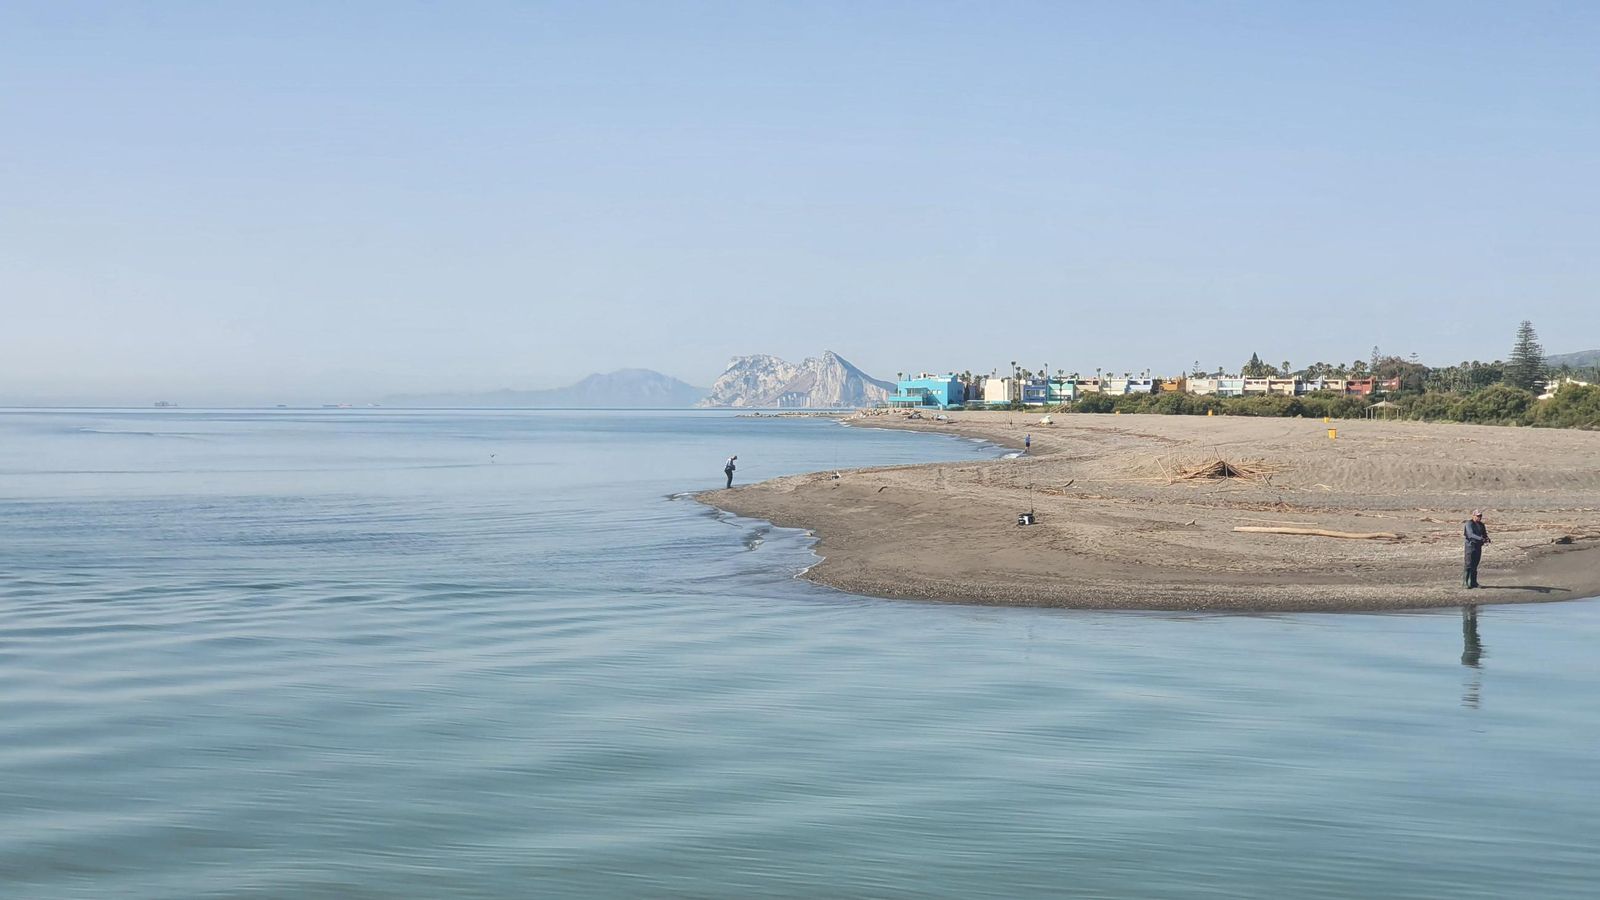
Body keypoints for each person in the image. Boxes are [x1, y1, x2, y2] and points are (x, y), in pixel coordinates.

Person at [1462, 509, 1490, 588]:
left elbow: (1484, 534)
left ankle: (1473, 582)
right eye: (1478, 516)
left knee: (1475, 564)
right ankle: (1465, 582)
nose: (1479, 517)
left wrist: (1487, 538)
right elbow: (1470, 534)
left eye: (1480, 516)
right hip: (1470, 546)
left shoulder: (1481, 525)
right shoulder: (1469, 524)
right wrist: (1480, 538)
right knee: (1468, 564)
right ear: (1473, 516)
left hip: (1478, 546)